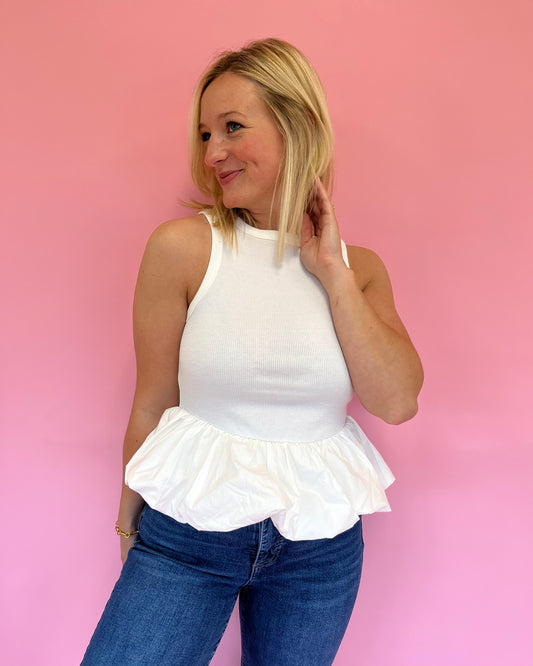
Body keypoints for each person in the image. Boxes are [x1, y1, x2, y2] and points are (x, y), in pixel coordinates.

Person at [82, 38, 423, 666]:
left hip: (319, 549)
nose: (212, 152)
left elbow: (397, 401)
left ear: (297, 126)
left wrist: (332, 273)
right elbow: (153, 400)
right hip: (189, 536)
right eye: (205, 134)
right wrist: (129, 523)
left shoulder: (361, 270)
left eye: (233, 127)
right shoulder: (183, 249)